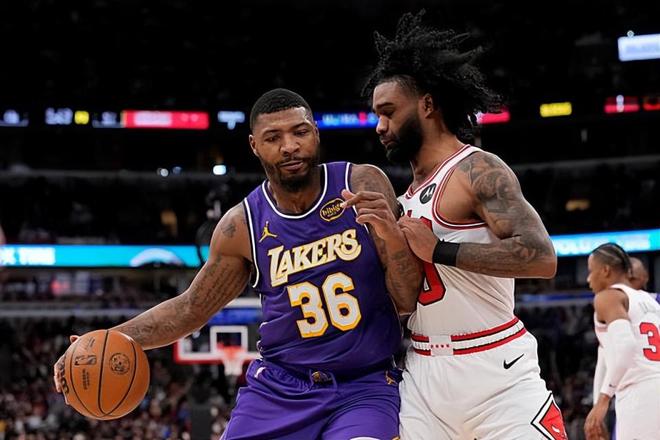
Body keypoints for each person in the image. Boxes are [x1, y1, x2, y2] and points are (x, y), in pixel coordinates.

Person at [53, 88, 423, 439]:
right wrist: (103, 340)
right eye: (273, 137)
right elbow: (191, 308)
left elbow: (407, 300)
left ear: (315, 133)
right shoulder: (241, 226)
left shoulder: (361, 183)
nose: (290, 146)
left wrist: (391, 236)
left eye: (300, 132)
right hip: (280, 388)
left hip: (363, 385)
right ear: (254, 145)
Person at [362, 11, 567, 439]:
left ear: (427, 105)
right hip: (423, 375)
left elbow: (541, 258)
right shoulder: (402, 201)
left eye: (388, 112)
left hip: (497, 372)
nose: (380, 126)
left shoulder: (476, 170)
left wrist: (440, 250)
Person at [584, 243, 660, 440]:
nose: (588, 279)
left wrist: (603, 400)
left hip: (640, 393)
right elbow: (605, 357)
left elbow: (626, 347)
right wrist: (597, 408)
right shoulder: (651, 301)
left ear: (605, 270)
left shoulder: (607, 297)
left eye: (591, 271)